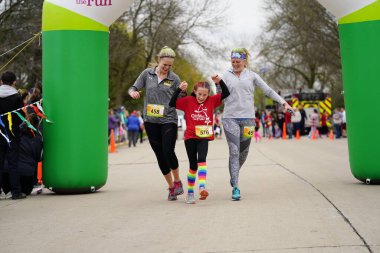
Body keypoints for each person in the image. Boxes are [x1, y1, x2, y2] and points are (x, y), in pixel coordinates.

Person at [218, 48, 293, 201]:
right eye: (233, 62)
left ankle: (234, 173)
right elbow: (219, 95)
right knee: (234, 151)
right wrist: (217, 85)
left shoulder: (252, 76)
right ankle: (236, 187)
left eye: (238, 62)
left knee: (243, 154)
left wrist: (283, 102)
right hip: (230, 118)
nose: (235, 64)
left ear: (245, 61)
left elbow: (268, 90)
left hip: (248, 120)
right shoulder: (225, 75)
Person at [129, 46, 187, 201]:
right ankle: (171, 187)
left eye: (170, 65)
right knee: (160, 156)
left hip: (168, 119)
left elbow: (181, 101)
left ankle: (178, 181)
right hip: (150, 121)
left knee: (168, 151)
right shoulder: (146, 74)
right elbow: (133, 88)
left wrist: (183, 91)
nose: (167, 68)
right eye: (164, 65)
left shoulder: (174, 78)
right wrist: (133, 93)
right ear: (159, 60)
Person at [169, 76, 230, 204]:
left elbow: (226, 93)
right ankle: (190, 193)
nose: (202, 97)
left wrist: (219, 82)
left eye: (205, 95)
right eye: (200, 94)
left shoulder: (212, 101)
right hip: (190, 137)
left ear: (208, 94)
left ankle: (202, 187)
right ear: (195, 92)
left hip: (203, 137)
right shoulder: (188, 100)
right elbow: (172, 103)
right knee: (193, 165)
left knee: (202, 159)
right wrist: (179, 90)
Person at [0, 71, 26, 199]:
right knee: (13, 163)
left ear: (1, 81)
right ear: (14, 82)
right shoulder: (17, 97)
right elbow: (21, 117)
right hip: (12, 134)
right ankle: (16, 192)